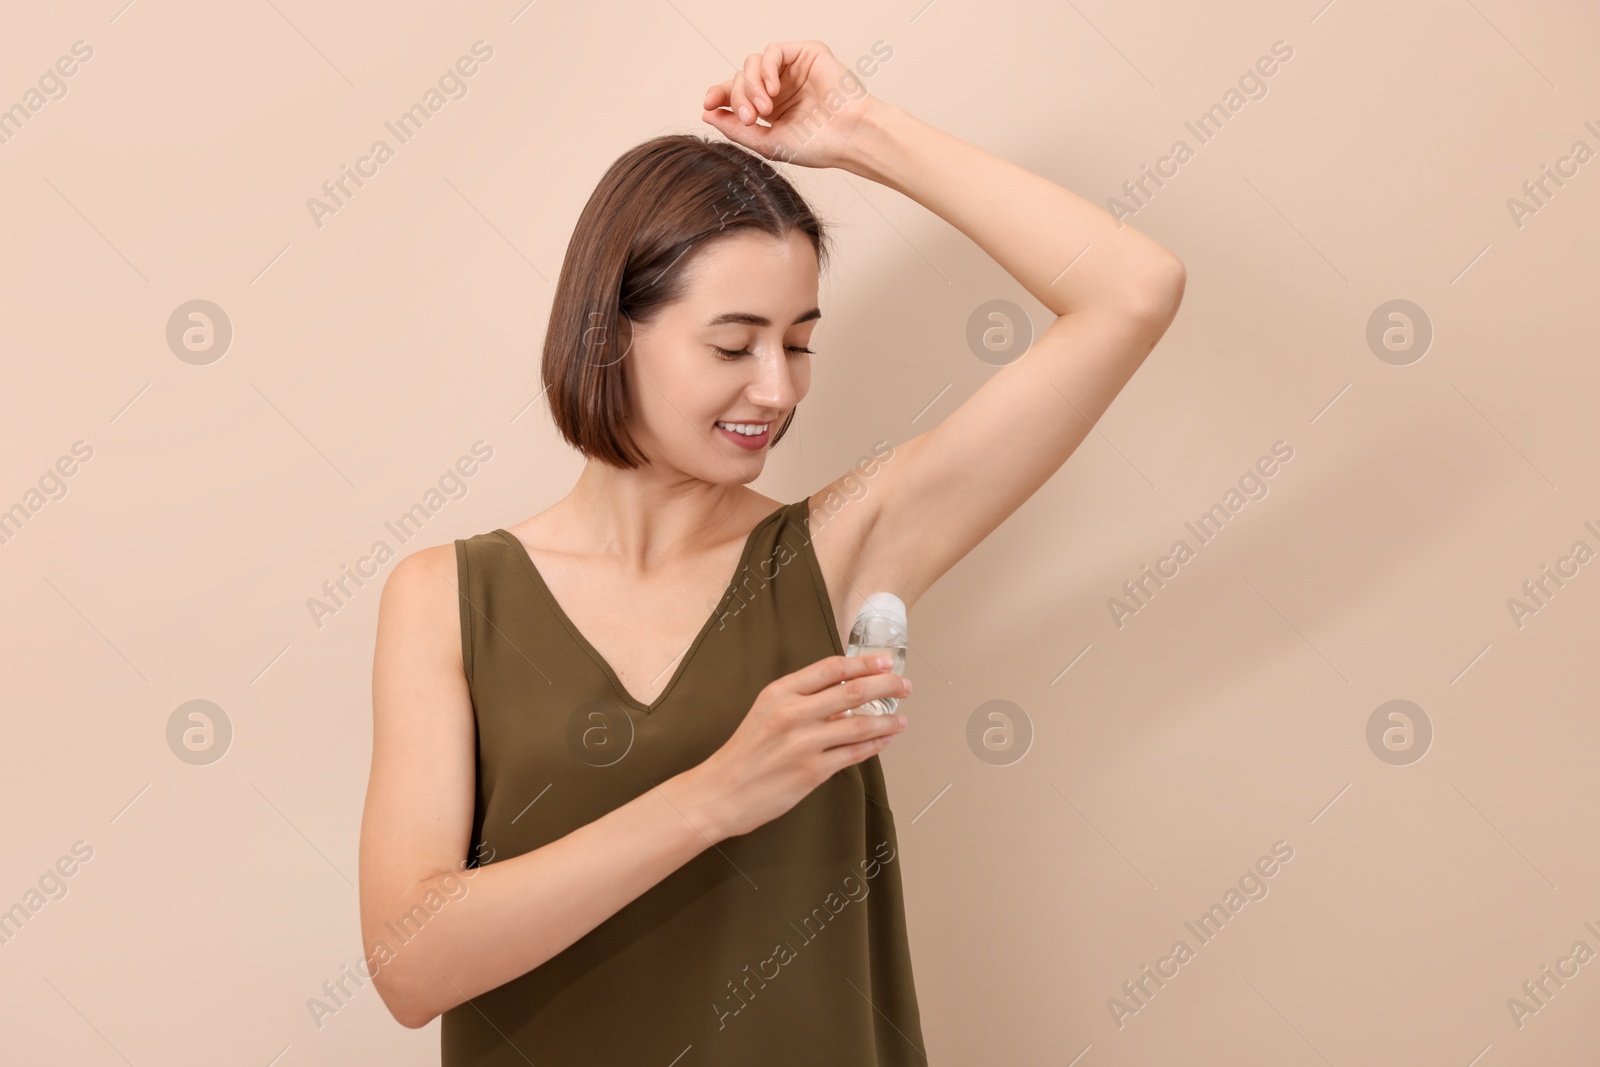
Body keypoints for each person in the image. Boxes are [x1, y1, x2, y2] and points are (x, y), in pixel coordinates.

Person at [359, 38, 1184, 1063]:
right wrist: (713, 794)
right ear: (609, 330)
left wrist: (859, 131)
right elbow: (410, 962)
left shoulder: (834, 551)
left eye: (798, 342)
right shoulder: (446, 595)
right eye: (731, 342)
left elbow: (1131, 290)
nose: (779, 390)